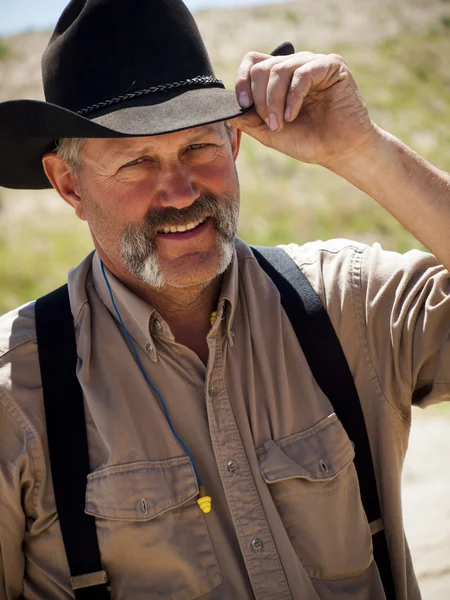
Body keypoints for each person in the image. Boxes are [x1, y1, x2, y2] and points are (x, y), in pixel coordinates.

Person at [0, 0, 449, 598]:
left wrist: (362, 151)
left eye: (199, 148)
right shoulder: (15, 398)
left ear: (236, 147)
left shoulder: (349, 302)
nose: (181, 191)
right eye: (136, 161)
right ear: (68, 184)